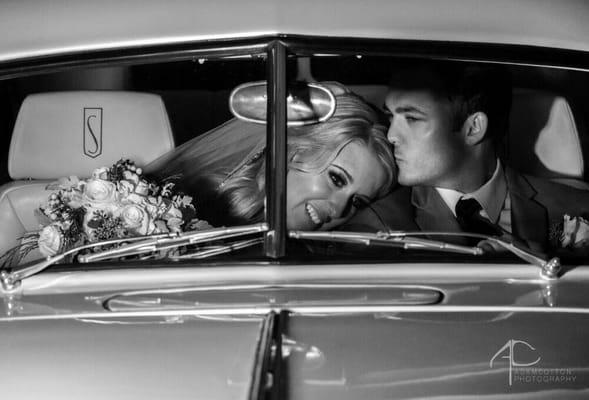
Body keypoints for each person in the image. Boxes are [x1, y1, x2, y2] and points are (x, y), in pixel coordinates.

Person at [346, 61, 589, 253]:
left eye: (411, 118)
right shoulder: (378, 229)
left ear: (473, 128)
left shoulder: (577, 209)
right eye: (390, 118)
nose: (391, 135)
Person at [146, 85, 396, 231]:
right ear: (296, 150)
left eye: (358, 202)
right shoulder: (175, 207)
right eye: (337, 179)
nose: (340, 209)